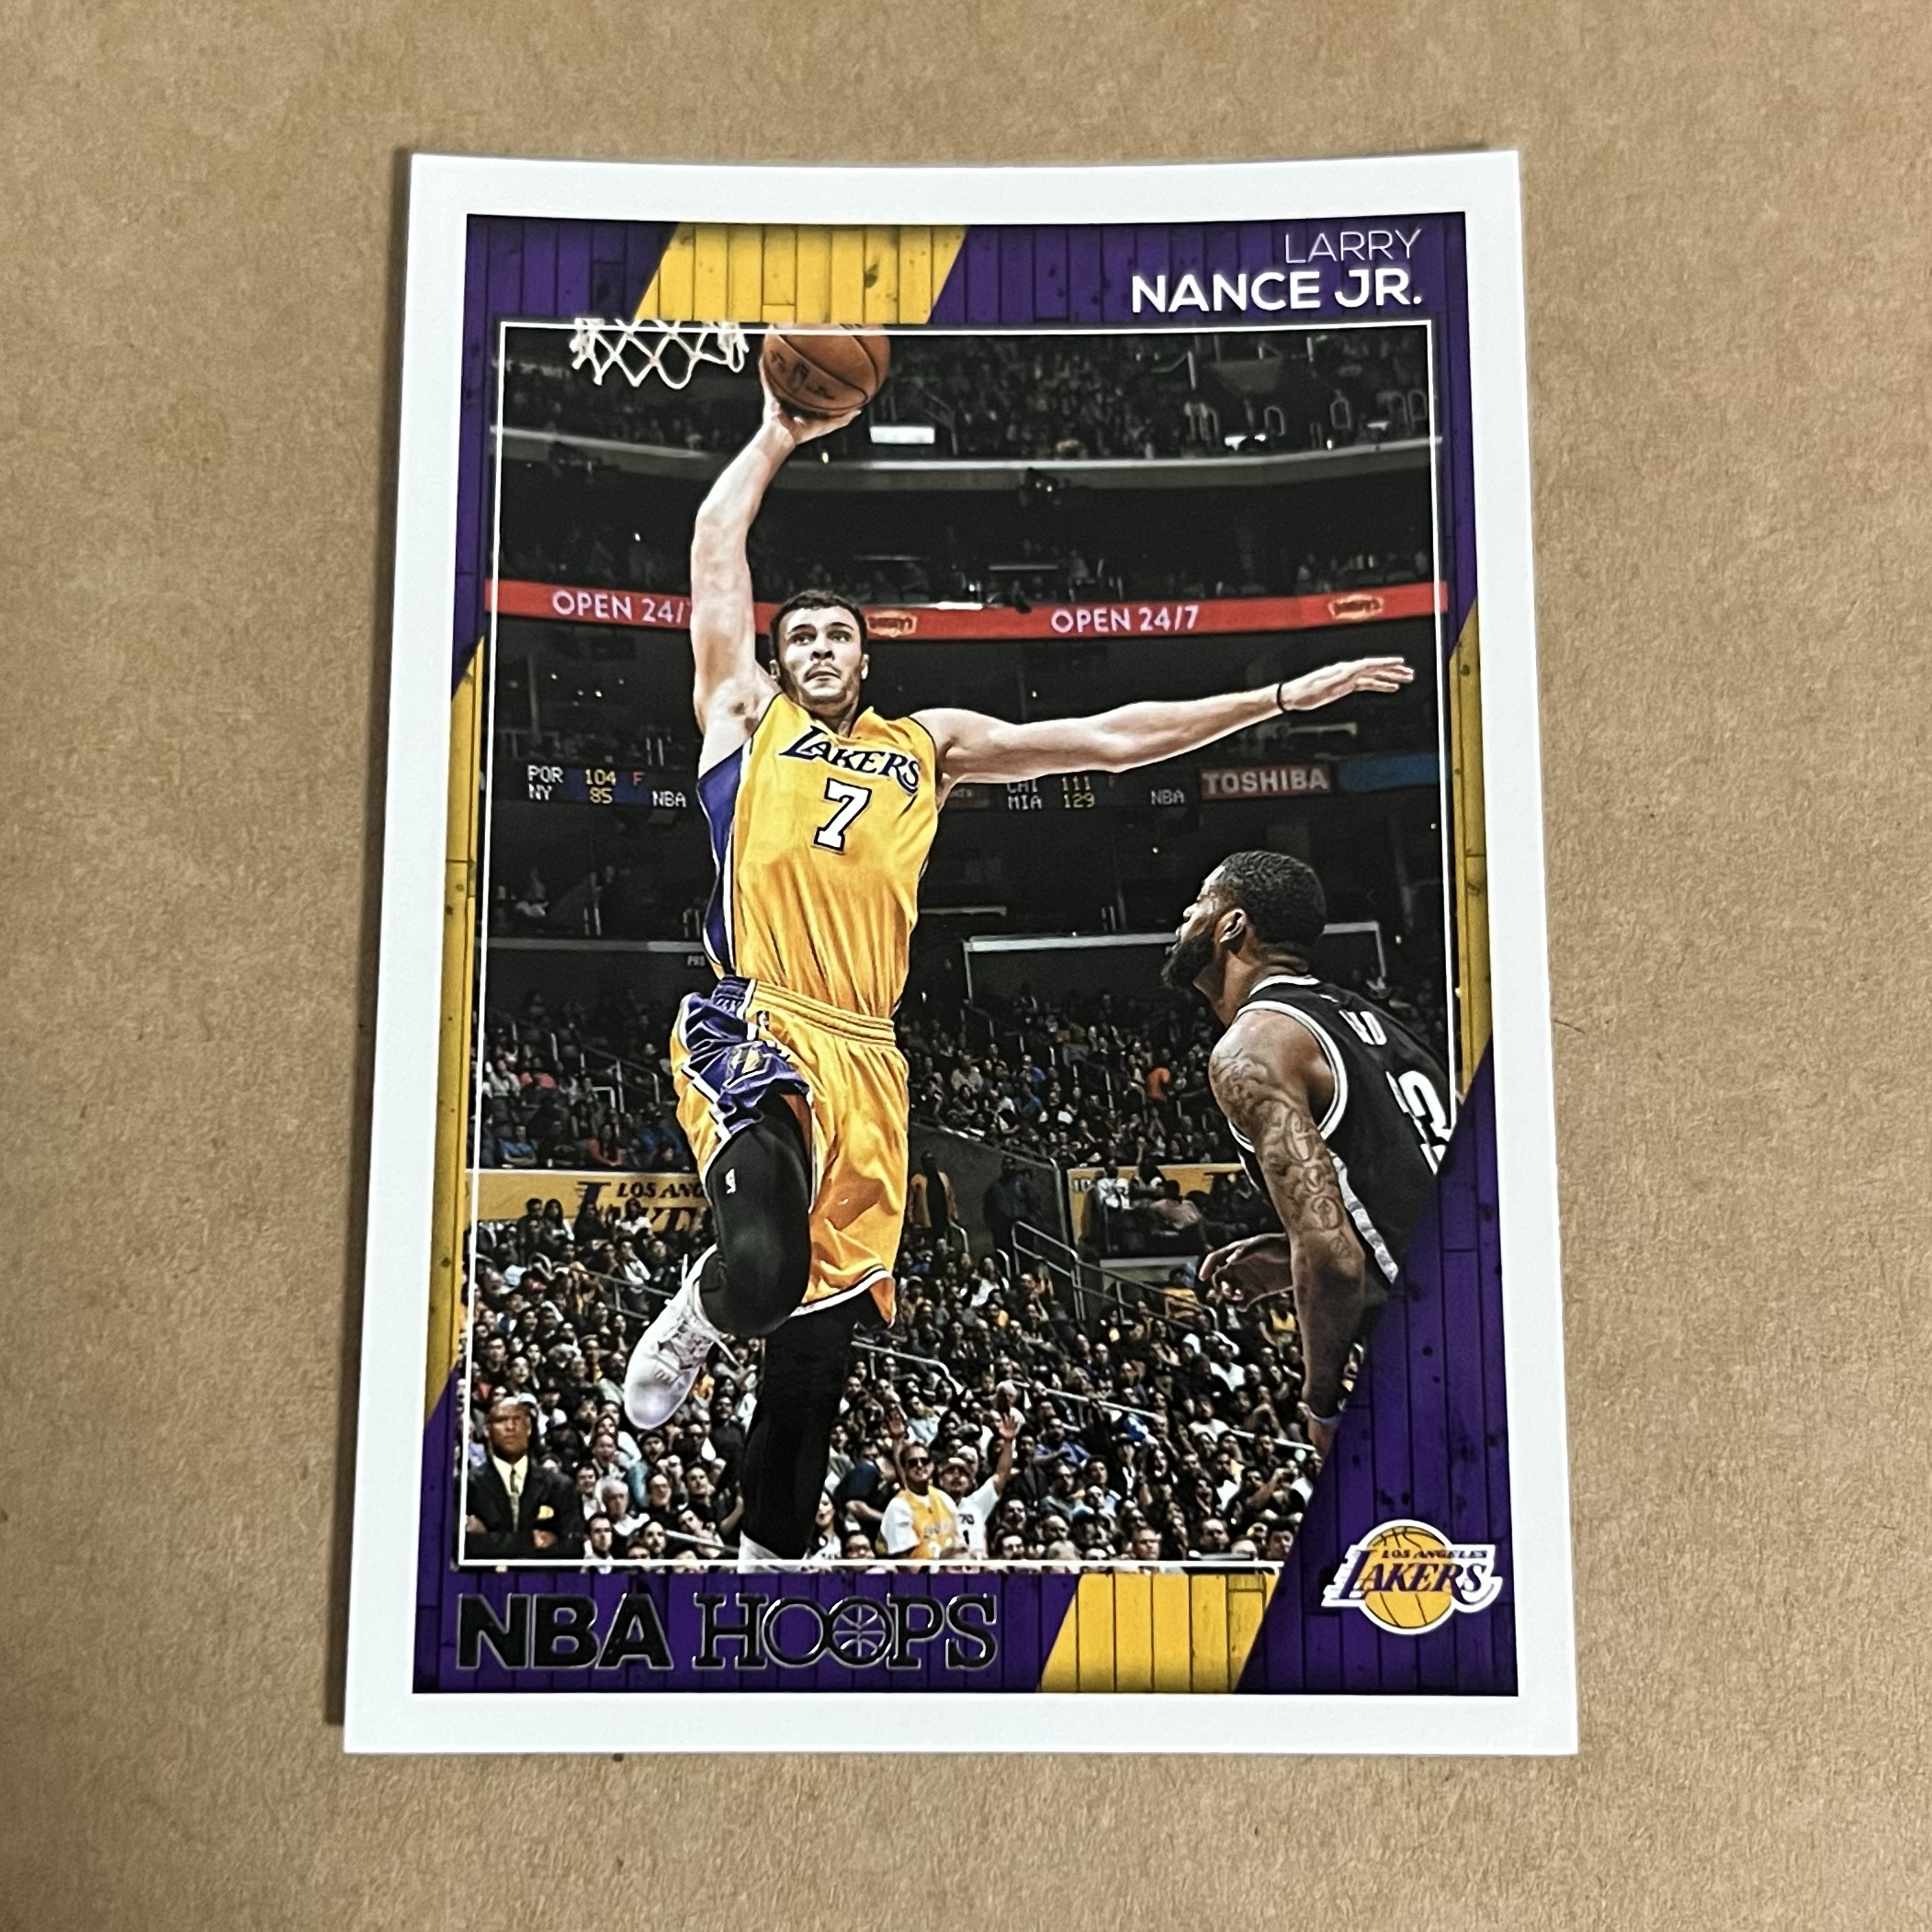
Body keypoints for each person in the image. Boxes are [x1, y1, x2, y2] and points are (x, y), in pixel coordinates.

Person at [624, 356, 1414, 1565]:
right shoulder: (742, 719)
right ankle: (698, 1309)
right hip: (762, 1020)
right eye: (803, 635)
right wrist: (777, 434)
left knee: (820, 1339)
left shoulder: (926, 745)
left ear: (867, 661)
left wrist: (1273, 696)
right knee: (762, 1269)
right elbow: (713, 542)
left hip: (869, 1057)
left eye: (841, 634)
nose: (822, 646)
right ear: (778, 662)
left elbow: (1106, 739)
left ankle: (769, 1561)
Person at [1160, 850, 1452, 1456]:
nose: (1183, 915)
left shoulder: (1254, 1046)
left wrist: (1322, 1402)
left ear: (1232, 926)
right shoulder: (1377, 1024)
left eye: (1200, 902)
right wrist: (1291, 1248)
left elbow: (1332, 1257)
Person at [463, 1395, 584, 1560]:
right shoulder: (466, 1485)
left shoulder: (560, 1486)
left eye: (517, 1420)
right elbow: (463, 1546)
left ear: (528, 1428)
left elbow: (573, 1547)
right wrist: (529, 1541)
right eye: (501, 1420)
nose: (510, 1427)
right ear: (486, 1430)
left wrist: (491, 1540)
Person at [934, 1409, 1021, 1556]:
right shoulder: (928, 1505)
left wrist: (1007, 1443)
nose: (956, 1476)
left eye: (963, 1473)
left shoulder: (977, 1503)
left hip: (976, 1566)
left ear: (970, 1482)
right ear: (940, 1480)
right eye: (950, 1471)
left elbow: (1001, 1475)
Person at [879, 1442, 963, 1561]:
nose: (919, 1465)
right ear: (904, 1469)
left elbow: (960, 1541)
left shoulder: (944, 1498)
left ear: (932, 1465)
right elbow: (907, 1563)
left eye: (924, 1461)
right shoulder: (898, 1507)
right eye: (913, 1463)